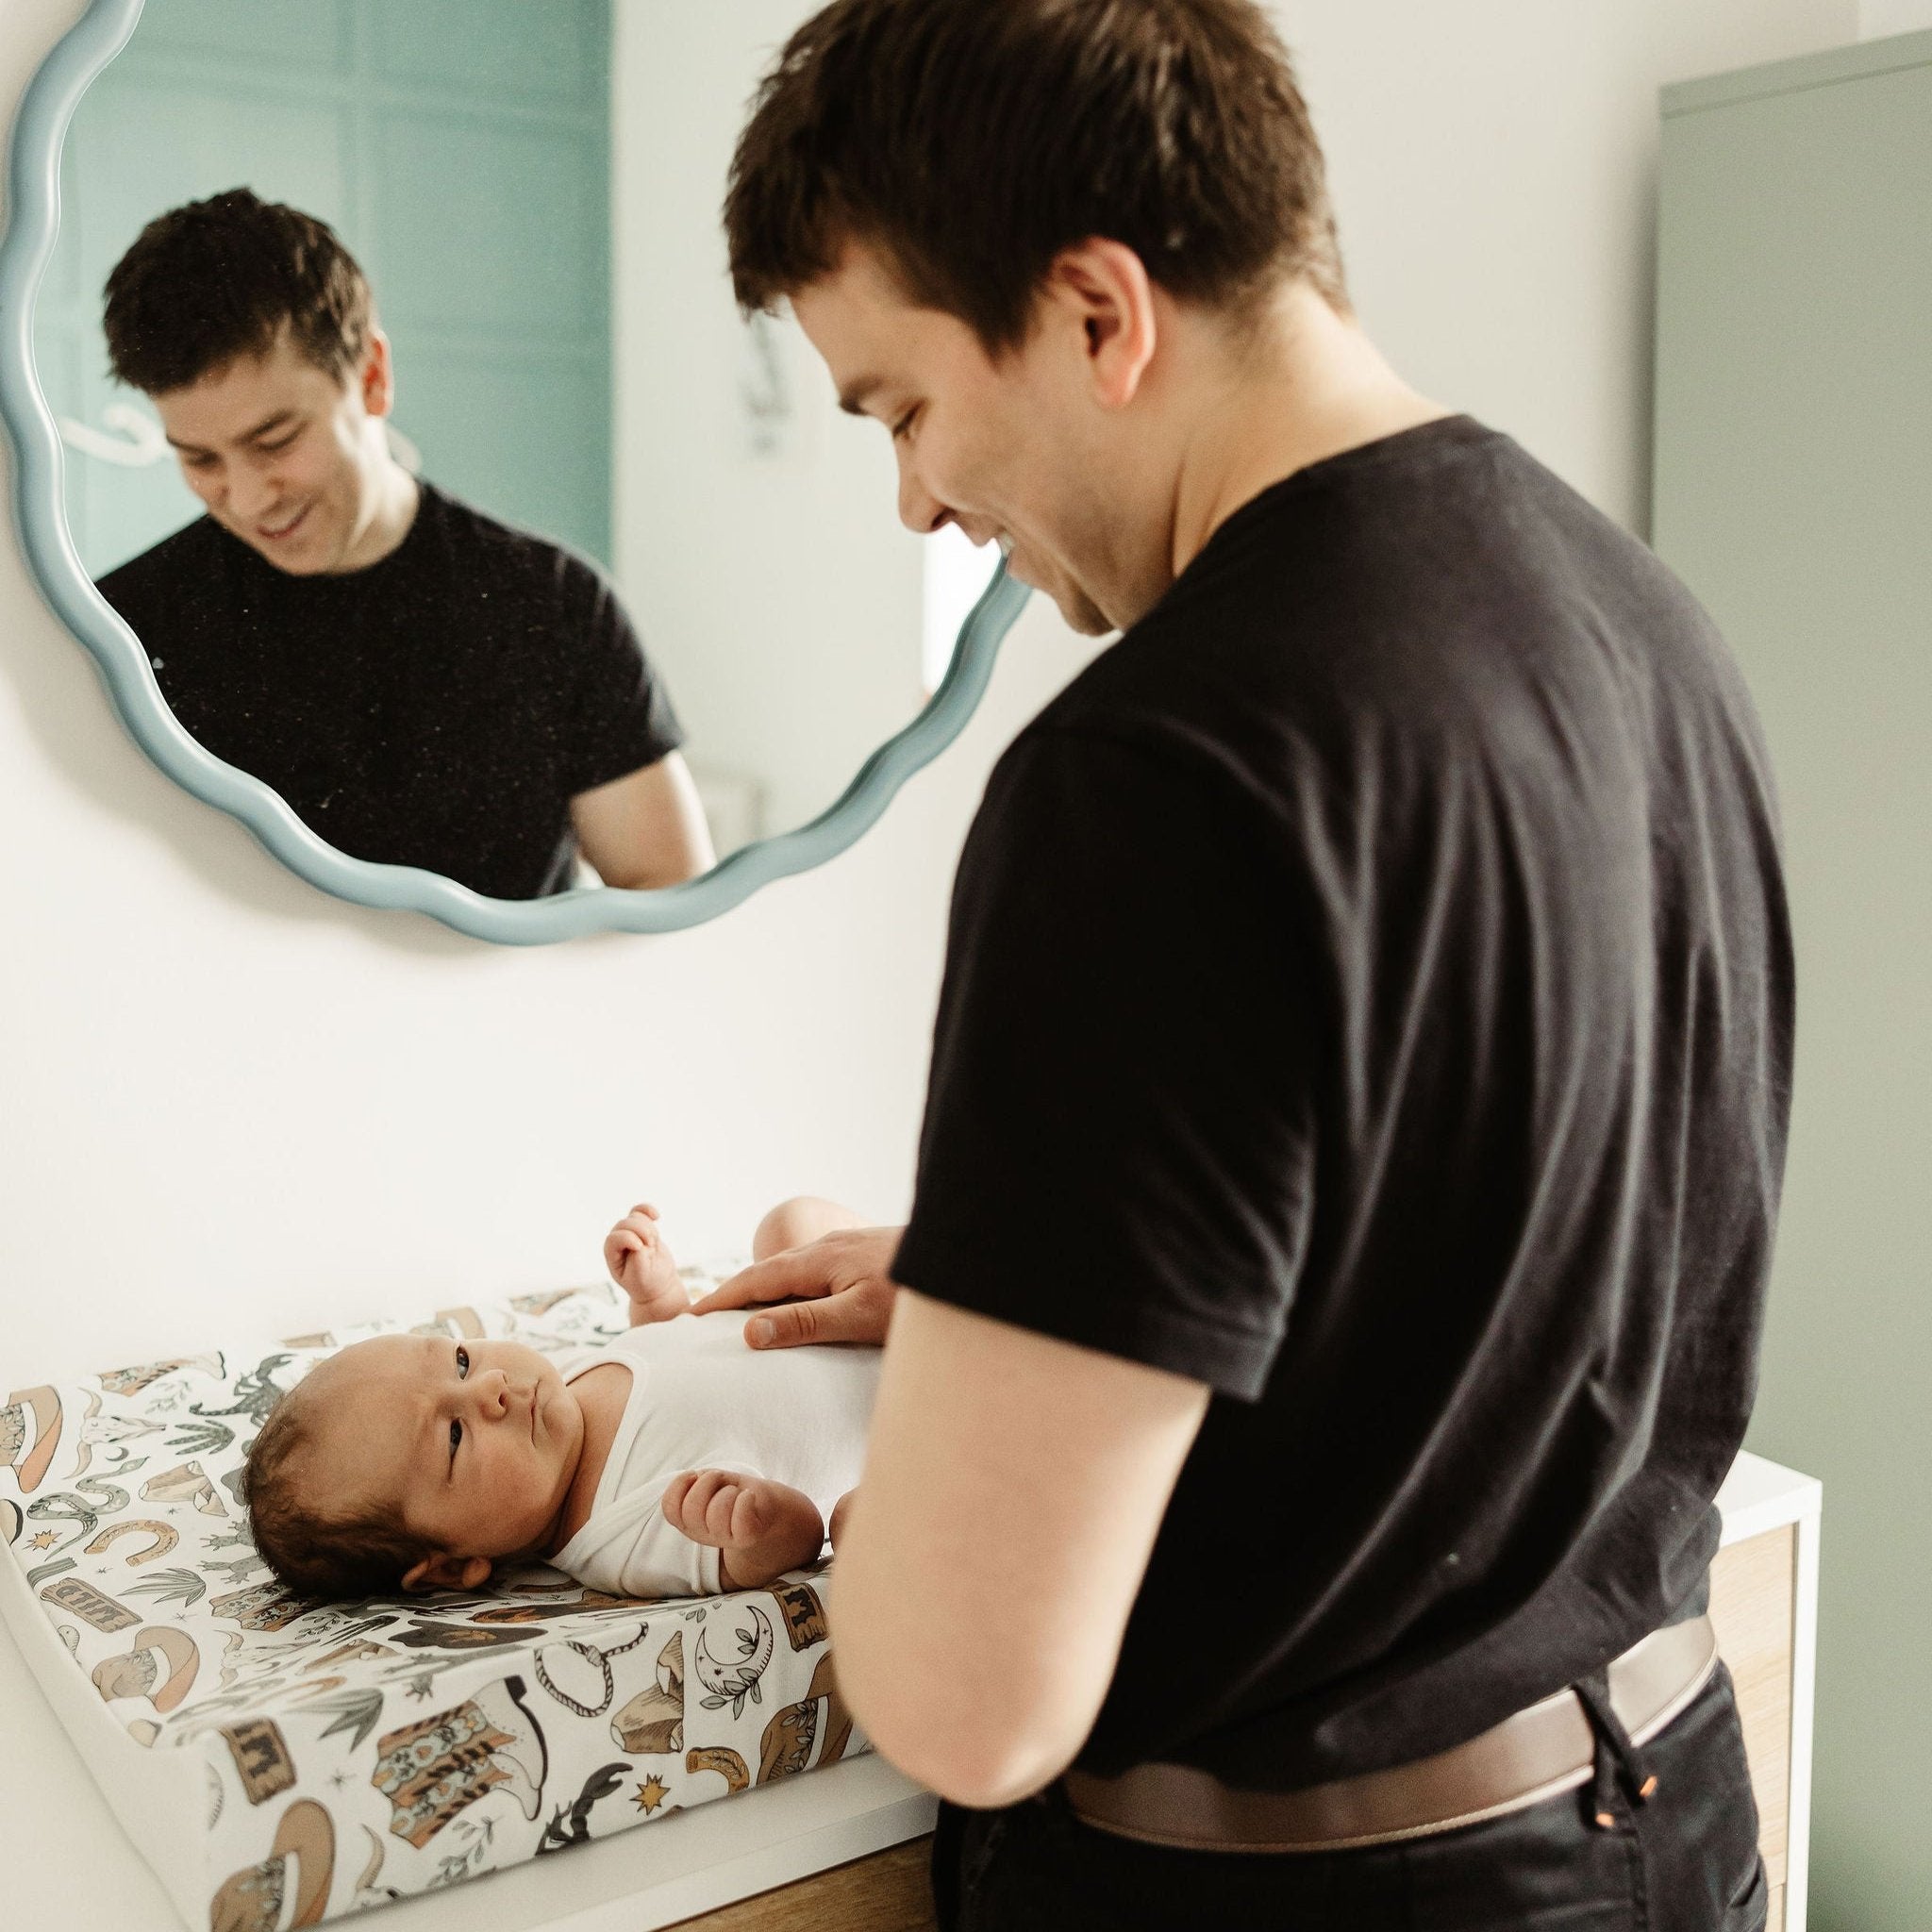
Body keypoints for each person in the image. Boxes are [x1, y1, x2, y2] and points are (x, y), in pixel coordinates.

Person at [693, 3, 1793, 1927]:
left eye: (898, 407)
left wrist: (896, 1517)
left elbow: (968, 1702)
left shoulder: (1151, 773)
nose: (917, 503)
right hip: (1664, 1815)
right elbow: (1481, 1225)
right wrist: (1022, 1289)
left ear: (1099, 312)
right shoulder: (1642, 621)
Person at [93, 190, 714, 900]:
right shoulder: (125, 628)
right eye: (199, 460)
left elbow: (666, 889)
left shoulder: (552, 605)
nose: (249, 496)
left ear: (373, 377)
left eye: (276, 441)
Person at [242, 1195, 874, 1602]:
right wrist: (757, 1521)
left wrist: (657, 1299)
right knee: (859, 1524)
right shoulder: (619, 1537)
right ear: (448, 1566)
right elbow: (793, 1541)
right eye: (455, 1436)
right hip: (898, 1421)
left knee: (790, 1225)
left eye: (460, 1361)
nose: (490, 1388)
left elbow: (670, 1351)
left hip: (839, 1314)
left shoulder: (560, 1384)